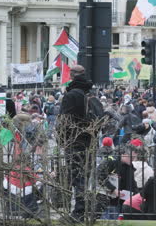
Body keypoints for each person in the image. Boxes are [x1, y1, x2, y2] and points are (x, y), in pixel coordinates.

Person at [57, 65, 97, 222]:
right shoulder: (90, 94)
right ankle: (84, 209)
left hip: (74, 141)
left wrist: (62, 140)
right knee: (84, 177)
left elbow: (63, 120)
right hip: (89, 141)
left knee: (77, 177)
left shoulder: (71, 95)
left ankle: (79, 212)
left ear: (71, 76)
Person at [97, 145, 138, 219]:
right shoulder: (111, 161)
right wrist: (113, 189)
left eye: (135, 157)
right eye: (132, 157)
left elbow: (132, 182)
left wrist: (136, 194)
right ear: (124, 154)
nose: (134, 159)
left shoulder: (129, 165)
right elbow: (99, 176)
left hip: (121, 201)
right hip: (108, 201)